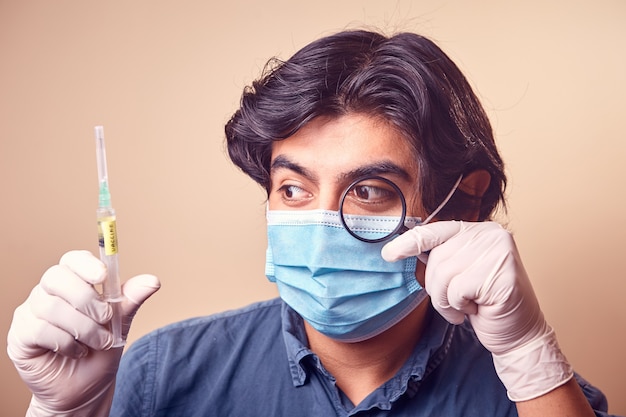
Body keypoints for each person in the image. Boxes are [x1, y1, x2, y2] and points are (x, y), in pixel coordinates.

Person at [7, 29, 618, 417]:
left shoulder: (531, 393)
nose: (324, 223)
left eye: (370, 191)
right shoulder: (161, 375)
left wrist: (529, 355)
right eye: (294, 188)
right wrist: (59, 415)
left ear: (459, 205)